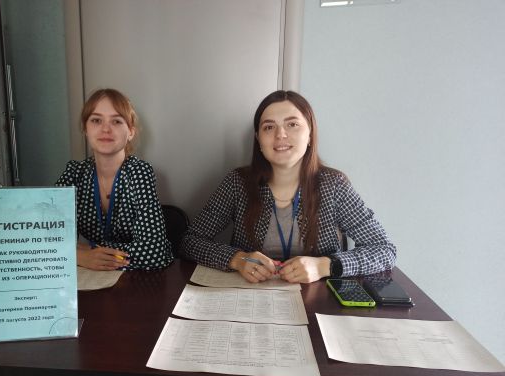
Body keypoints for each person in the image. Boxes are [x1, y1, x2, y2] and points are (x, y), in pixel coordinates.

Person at [180, 90, 396, 283]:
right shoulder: (238, 183)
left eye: (292, 124)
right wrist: (237, 260)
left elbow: (384, 250)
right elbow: (190, 242)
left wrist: (324, 266)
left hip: (316, 299)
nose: (280, 135)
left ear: (310, 134)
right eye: (269, 127)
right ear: (258, 139)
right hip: (251, 296)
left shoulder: (334, 185)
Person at [56, 88, 173, 271]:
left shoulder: (139, 172)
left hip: (137, 280)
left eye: (116, 121)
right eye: (96, 120)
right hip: (92, 277)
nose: (105, 129)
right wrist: (79, 255)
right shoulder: (74, 173)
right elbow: (43, 241)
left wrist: (88, 252)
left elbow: (155, 252)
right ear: (85, 129)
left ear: (131, 132)